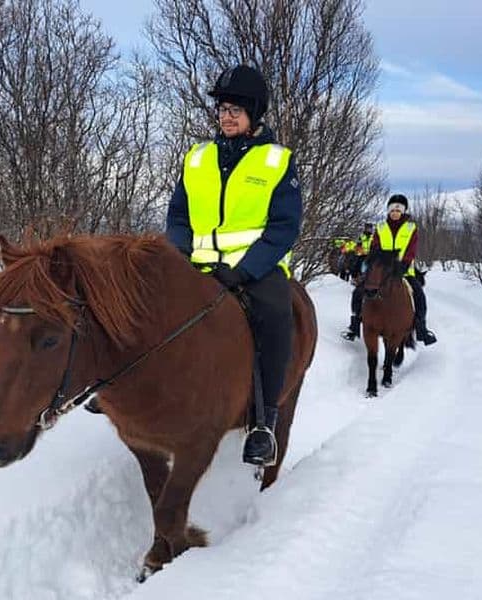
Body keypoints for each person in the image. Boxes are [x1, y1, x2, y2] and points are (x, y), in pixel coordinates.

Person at [166, 65, 302, 466]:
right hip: (197, 265)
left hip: (255, 270)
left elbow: (283, 227)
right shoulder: (197, 157)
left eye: (236, 110)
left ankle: (263, 422)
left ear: (254, 113)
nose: (226, 116)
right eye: (223, 109)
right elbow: (178, 216)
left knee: (276, 319)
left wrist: (244, 270)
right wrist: (181, 254)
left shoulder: (277, 161)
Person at [342, 194, 437, 345]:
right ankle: (354, 324)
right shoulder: (380, 227)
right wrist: (376, 263)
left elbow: (411, 249)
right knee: (359, 291)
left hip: (404, 271)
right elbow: (375, 247)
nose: (395, 213)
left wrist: (403, 265)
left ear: (403, 212)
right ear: (388, 211)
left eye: (398, 210)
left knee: (419, 295)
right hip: (381, 271)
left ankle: (421, 329)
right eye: (392, 210)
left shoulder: (411, 228)